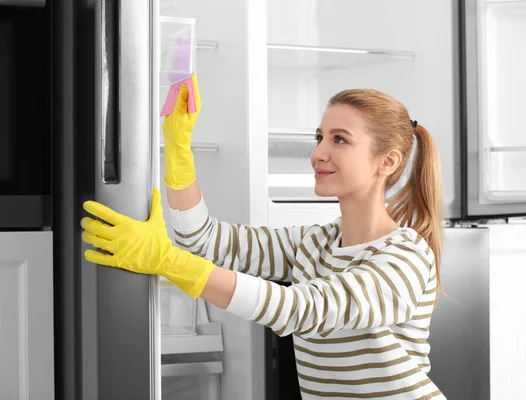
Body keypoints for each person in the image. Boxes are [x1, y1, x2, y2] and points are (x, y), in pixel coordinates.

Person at [81, 73, 446, 399]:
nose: (318, 153)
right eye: (319, 137)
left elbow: (301, 309)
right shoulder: (315, 244)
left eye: (339, 140)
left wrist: (166, 261)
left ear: (388, 162)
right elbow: (205, 241)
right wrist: (178, 153)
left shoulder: (405, 256)